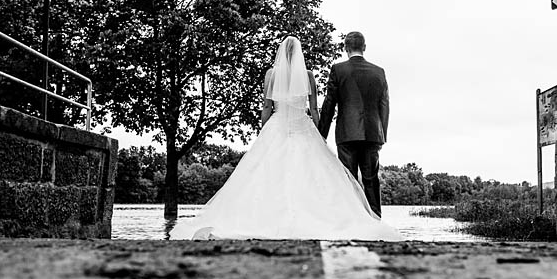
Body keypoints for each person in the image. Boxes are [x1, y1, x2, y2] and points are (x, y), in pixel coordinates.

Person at [170, 36, 402, 241]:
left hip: (280, 126)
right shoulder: (310, 75)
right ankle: (368, 219)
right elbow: (315, 108)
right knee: (341, 177)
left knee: (267, 175)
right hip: (312, 128)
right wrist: (320, 135)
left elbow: (266, 107)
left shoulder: (271, 75)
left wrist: (263, 132)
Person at [318, 31, 388, 217]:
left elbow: (329, 104)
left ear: (345, 48)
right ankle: (375, 220)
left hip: (347, 133)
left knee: (348, 178)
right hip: (373, 134)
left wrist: (321, 135)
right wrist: (382, 135)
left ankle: (351, 219)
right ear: (364, 47)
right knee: (371, 179)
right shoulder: (379, 72)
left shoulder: (338, 70)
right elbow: (384, 105)